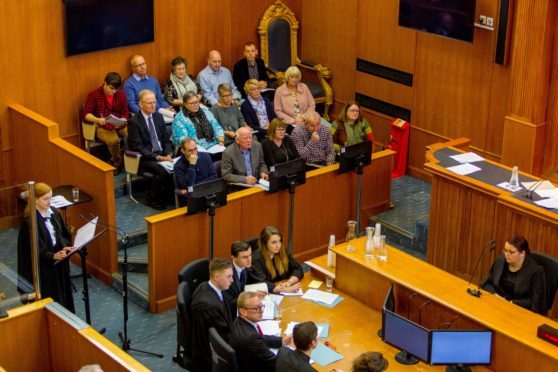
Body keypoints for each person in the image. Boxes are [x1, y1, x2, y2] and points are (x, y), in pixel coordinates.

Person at [17, 183, 75, 312]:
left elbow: (62, 234)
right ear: (35, 200)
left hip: (58, 261)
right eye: (46, 199)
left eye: (50, 197)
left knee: (64, 295)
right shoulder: (30, 222)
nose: (50, 201)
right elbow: (33, 249)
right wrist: (52, 255)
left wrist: (65, 247)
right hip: (44, 267)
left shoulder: (53, 212)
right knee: (53, 298)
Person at [127, 89, 174, 210]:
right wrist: (158, 157)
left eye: (154, 102)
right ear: (141, 104)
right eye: (149, 103)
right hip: (145, 158)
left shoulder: (158, 116)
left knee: (176, 165)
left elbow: (166, 139)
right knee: (163, 171)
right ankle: (151, 197)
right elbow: (138, 147)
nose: (153, 105)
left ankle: (168, 194)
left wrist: (168, 153)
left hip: (162, 153)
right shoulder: (134, 121)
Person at [482, 236, 547, 314]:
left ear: (522, 253)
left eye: (511, 252)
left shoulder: (536, 271)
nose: (506, 254)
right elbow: (487, 283)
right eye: (505, 250)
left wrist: (510, 303)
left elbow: (535, 302)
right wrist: (495, 295)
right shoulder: (500, 261)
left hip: (519, 311)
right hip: (497, 306)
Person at [230, 292, 292, 371]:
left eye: (261, 306)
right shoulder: (251, 339)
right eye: (256, 308)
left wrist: (282, 341)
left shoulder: (238, 320)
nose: (261, 311)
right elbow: (276, 363)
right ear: (243, 311)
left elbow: (260, 338)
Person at [190, 258, 234, 371]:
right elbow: (223, 337)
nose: (232, 280)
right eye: (229, 276)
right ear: (217, 277)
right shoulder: (208, 305)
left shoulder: (207, 286)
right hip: (209, 354)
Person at [82, 72, 129, 169]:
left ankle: (131, 161)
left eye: (116, 89)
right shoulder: (94, 94)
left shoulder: (121, 94)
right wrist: (98, 119)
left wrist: (123, 119)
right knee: (114, 141)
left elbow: (125, 112)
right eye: (111, 88)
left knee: (133, 134)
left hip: (119, 123)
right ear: (105, 83)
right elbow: (86, 114)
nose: (114, 91)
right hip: (102, 124)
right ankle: (117, 162)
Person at [249, 225, 303, 293]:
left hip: (281, 286)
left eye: (279, 241)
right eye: (274, 242)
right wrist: (286, 290)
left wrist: (289, 282)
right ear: (264, 243)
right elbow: (262, 283)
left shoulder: (282, 252)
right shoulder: (256, 259)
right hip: (267, 293)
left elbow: (297, 269)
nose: (278, 245)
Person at [173, 137, 218, 206]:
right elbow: (188, 185)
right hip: (192, 199)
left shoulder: (205, 156)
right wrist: (192, 165)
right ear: (183, 151)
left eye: (195, 149)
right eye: (190, 151)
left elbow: (214, 177)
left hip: (208, 192)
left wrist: (194, 188)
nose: (194, 153)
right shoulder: (178, 166)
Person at [274, 66, 315, 130]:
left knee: (320, 130)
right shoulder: (279, 91)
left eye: (296, 77)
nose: (294, 79)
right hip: (289, 123)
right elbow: (278, 111)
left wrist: (303, 117)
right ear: (287, 77)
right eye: (292, 77)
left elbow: (312, 105)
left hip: (306, 119)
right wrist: (293, 120)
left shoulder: (304, 87)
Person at [223, 241, 253, 318]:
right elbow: (228, 301)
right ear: (234, 258)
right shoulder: (228, 275)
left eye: (250, 255)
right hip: (231, 314)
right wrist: (249, 300)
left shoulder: (244, 266)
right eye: (245, 257)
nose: (249, 260)